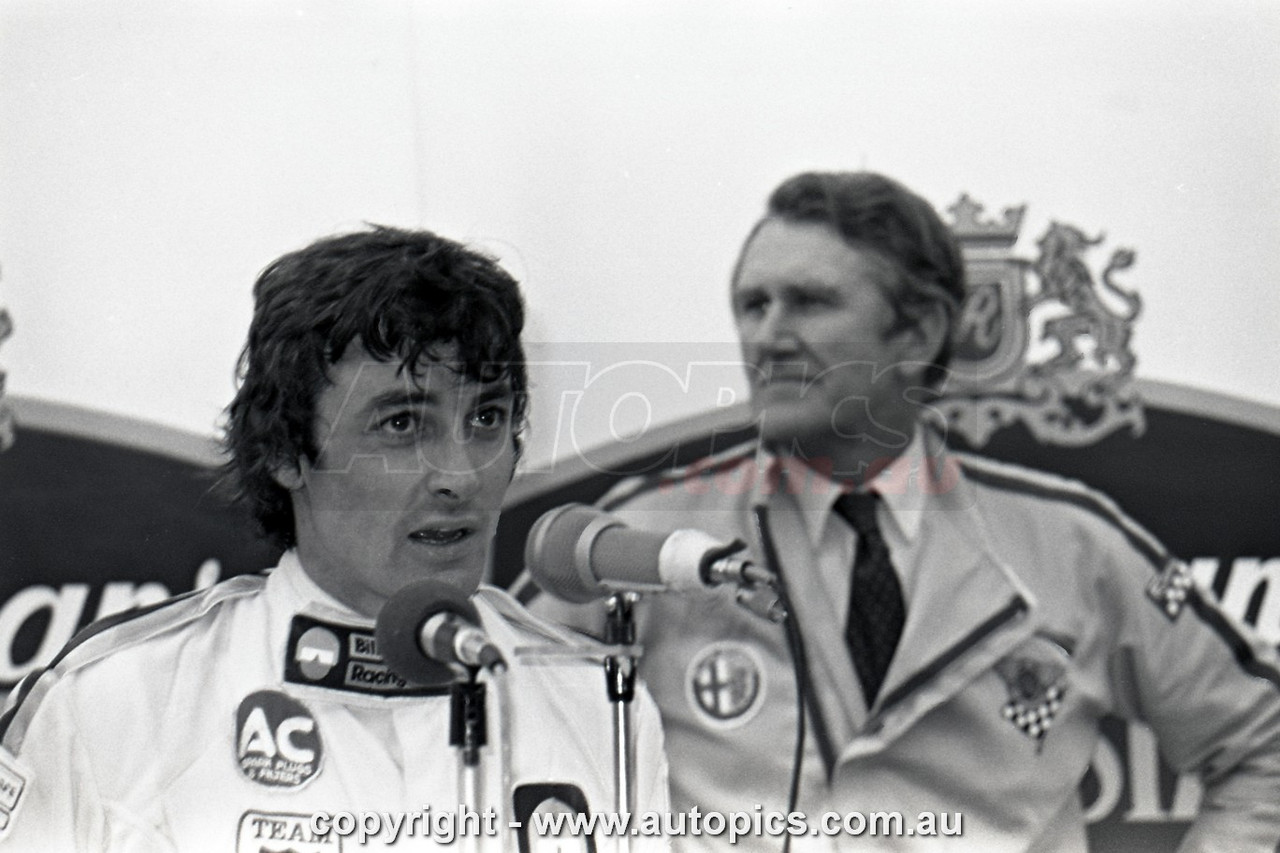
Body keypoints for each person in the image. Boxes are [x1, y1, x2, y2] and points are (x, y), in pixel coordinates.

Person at [525, 172, 1280, 851]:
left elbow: (1264, 746)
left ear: (918, 332)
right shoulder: (643, 537)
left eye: (810, 301)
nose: (767, 335)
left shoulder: (1071, 541)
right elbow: (501, 732)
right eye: (752, 304)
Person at [0, 226, 667, 851]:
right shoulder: (116, 699)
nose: (460, 475)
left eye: (487, 416)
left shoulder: (596, 698)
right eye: (403, 423)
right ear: (286, 449)